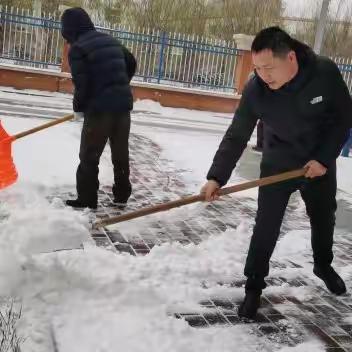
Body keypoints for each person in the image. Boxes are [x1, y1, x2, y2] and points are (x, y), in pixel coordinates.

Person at [201, 27, 352, 319]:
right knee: (266, 226)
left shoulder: (323, 72)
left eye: (269, 68)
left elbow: (344, 116)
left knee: (324, 218)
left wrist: (323, 158)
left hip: (317, 165)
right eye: (257, 68)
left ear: (291, 58)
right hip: (278, 163)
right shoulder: (257, 89)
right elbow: (237, 134)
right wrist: (216, 177)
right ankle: (253, 287)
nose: (263, 75)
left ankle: (323, 265)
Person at [60, 7, 136, 209]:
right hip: (122, 107)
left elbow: (82, 84)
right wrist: (119, 83)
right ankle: (121, 196)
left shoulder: (78, 49)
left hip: (100, 111)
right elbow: (131, 61)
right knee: (120, 154)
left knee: (89, 155)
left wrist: (79, 108)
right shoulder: (109, 39)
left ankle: (87, 199)